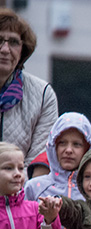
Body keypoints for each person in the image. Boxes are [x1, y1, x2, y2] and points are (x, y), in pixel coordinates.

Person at [0, 9, 58, 166]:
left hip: (22, 181)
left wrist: (12, 179)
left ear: (22, 49)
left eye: (13, 42)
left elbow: (39, 161)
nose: (5, 49)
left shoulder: (43, 95)